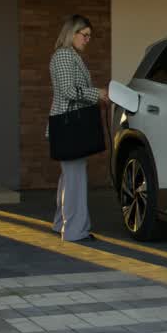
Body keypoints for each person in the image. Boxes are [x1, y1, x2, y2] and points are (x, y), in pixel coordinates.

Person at [49, 14, 109, 242]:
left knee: (69, 177)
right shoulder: (64, 56)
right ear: (71, 33)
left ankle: (60, 223)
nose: (87, 40)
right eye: (85, 35)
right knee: (75, 178)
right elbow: (68, 90)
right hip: (69, 125)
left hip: (67, 125)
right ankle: (75, 231)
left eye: (89, 37)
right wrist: (98, 93)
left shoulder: (70, 56)